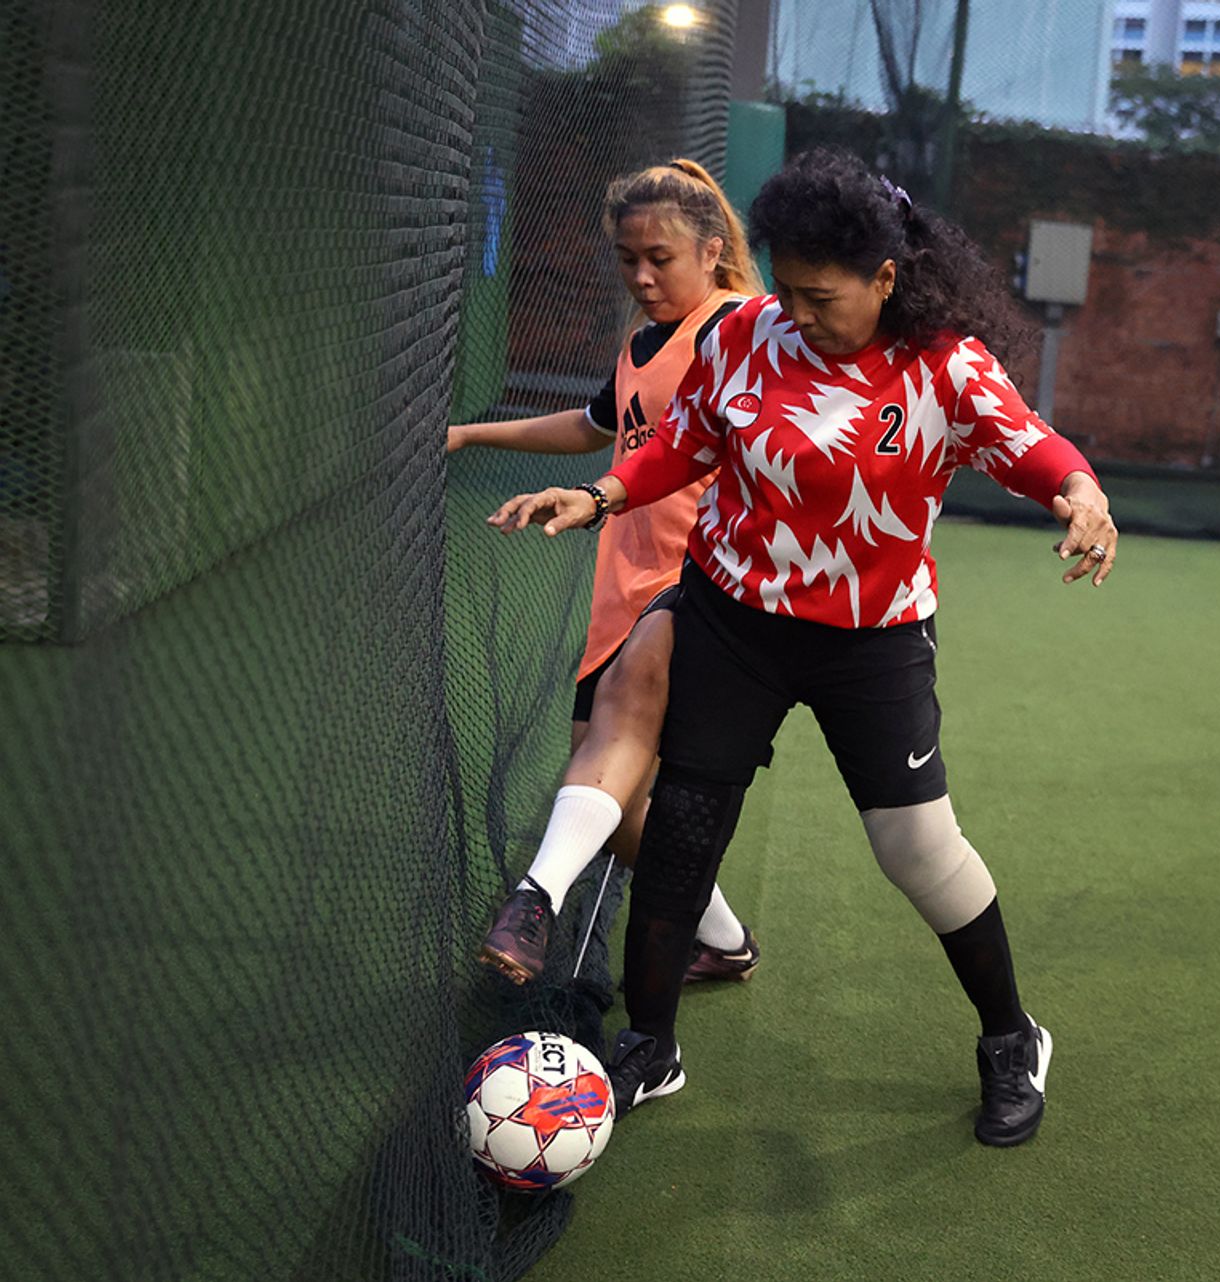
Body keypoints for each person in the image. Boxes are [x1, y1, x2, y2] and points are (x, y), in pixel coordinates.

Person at [487, 149, 1117, 1147]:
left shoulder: (944, 365)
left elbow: (1031, 445)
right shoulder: (745, 334)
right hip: (734, 618)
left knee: (914, 846)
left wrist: (1081, 494)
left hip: (873, 640)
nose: (799, 313)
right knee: (684, 823)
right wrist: (601, 493)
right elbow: (684, 442)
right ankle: (651, 1043)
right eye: (787, 289)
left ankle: (1011, 1036)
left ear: (885, 278)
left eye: (822, 297)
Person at [456, 160, 765, 990]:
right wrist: (470, 435)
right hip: (621, 588)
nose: (641, 275)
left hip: (694, 590)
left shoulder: (739, 329)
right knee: (616, 807)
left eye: (660, 258)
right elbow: (598, 425)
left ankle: (535, 901)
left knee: (606, 761)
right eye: (628, 258)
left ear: (711, 250)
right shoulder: (644, 341)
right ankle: (725, 939)